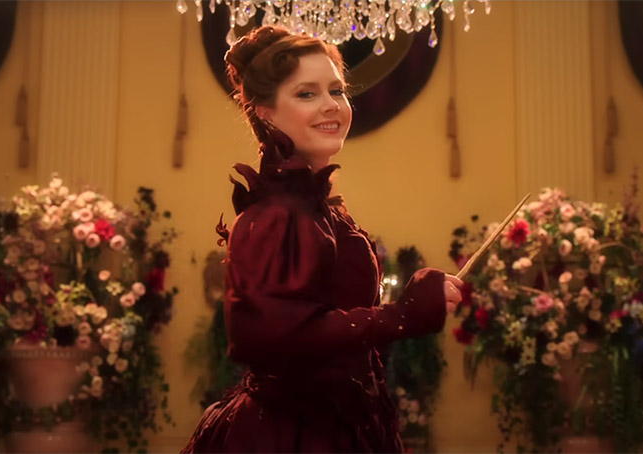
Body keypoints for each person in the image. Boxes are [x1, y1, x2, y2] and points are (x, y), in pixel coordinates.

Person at [183, 25, 464, 453]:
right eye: (306, 94)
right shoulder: (274, 214)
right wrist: (403, 315)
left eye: (337, 90)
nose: (331, 105)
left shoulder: (321, 208)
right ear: (265, 112)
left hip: (345, 428)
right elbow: (270, 336)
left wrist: (417, 302)